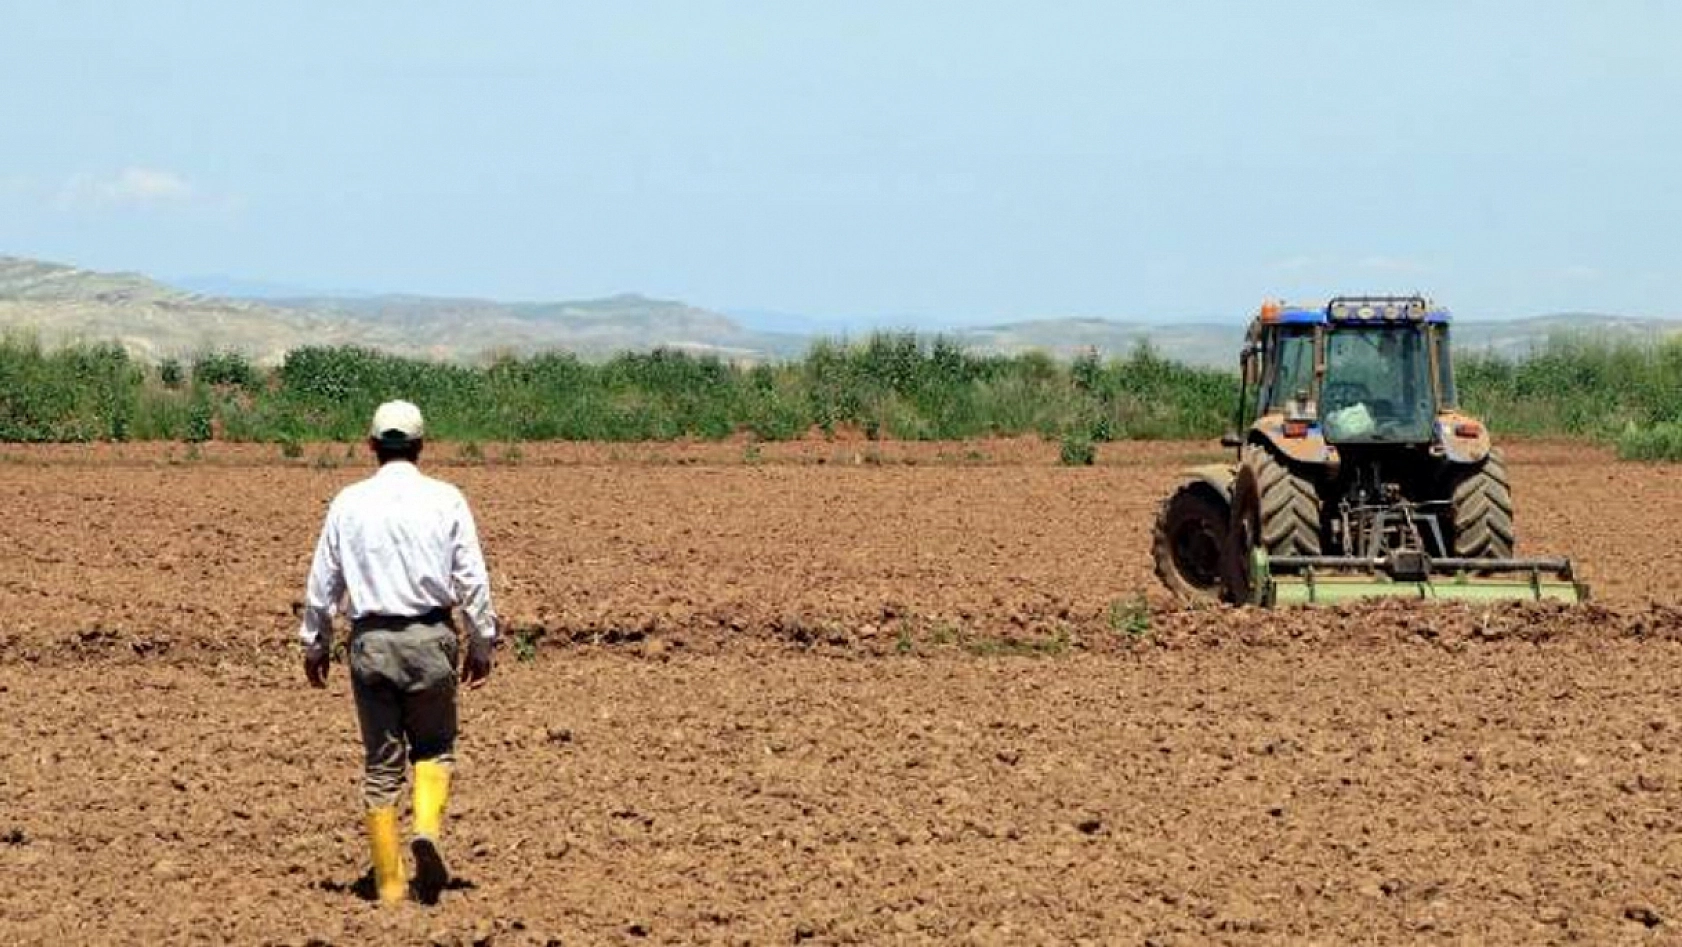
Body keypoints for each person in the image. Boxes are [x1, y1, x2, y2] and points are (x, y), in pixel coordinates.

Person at [298, 399, 498, 905]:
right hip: (432, 639)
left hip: (371, 643)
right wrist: (482, 640)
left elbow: (324, 580)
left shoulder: (348, 502)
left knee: (381, 764)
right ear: (421, 446)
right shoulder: (447, 499)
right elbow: (471, 577)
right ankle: (426, 825)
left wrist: (315, 640)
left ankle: (388, 884)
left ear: (371, 447)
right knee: (434, 747)